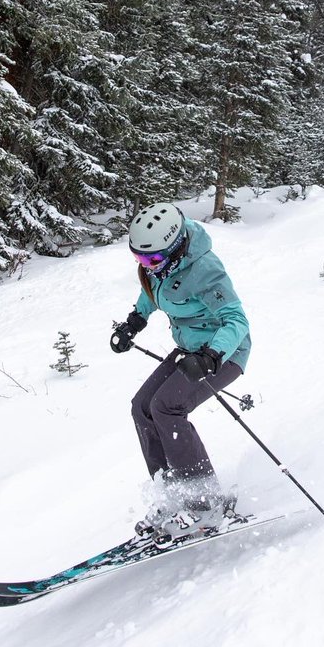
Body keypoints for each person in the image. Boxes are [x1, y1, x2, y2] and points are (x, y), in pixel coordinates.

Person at [110, 201, 251, 540]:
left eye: (153, 259)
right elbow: (153, 291)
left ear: (176, 247)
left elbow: (237, 321)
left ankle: (206, 502)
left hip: (223, 353)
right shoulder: (158, 266)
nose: (147, 265)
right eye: (140, 258)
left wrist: (211, 355)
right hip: (189, 350)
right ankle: (172, 495)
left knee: (167, 407)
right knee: (142, 407)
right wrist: (135, 321)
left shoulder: (206, 270)